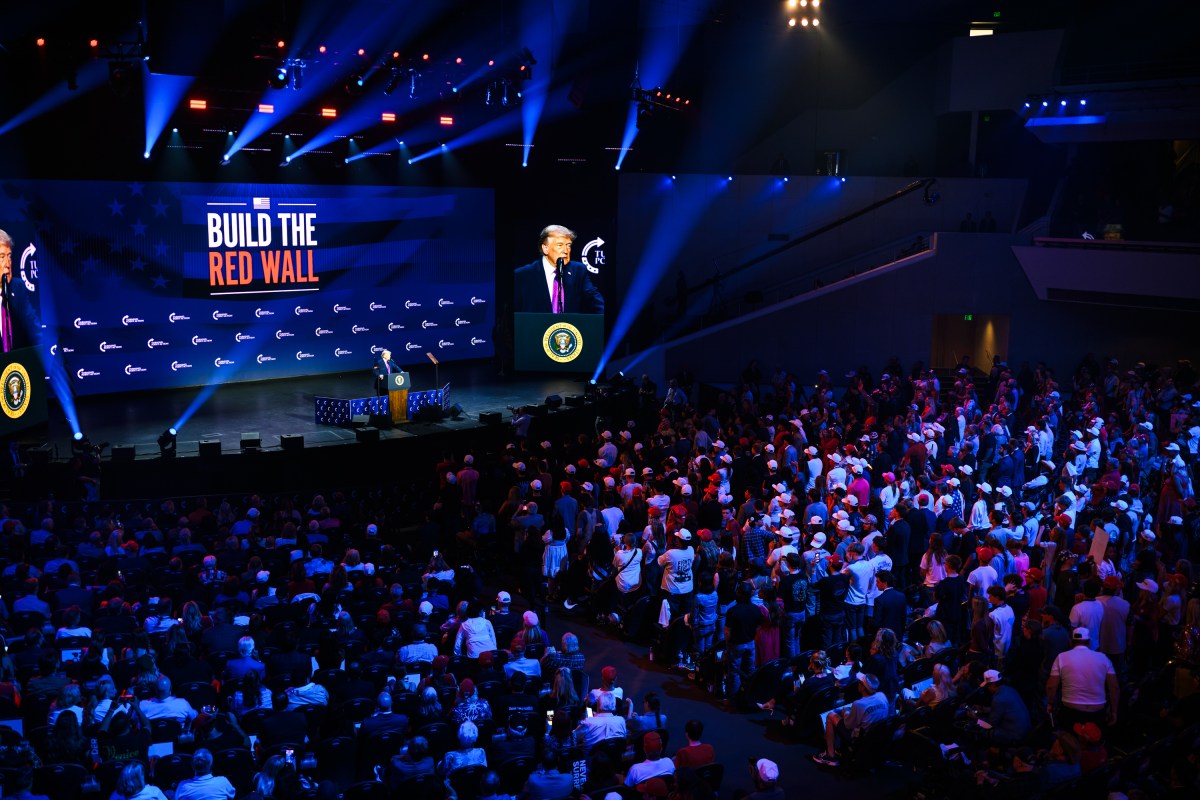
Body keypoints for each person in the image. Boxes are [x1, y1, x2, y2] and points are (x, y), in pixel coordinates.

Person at [512, 224, 604, 314]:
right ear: (545, 249)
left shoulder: (578, 271)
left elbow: (596, 302)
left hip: (568, 328)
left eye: (568, 245)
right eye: (560, 245)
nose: (566, 250)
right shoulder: (523, 275)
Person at [1046, 627, 1119, 729]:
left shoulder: (1061, 657)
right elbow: (1114, 687)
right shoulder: (1103, 658)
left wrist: (1050, 703)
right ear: (1088, 642)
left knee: (1070, 742)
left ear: (1071, 642)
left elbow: (1051, 686)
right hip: (1097, 711)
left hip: (1070, 710)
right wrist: (1114, 711)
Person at [812, 672, 889, 767]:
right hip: (877, 736)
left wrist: (846, 712)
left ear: (863, 687)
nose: (858, 683)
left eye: (860, 682)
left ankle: (830, 756)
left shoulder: (858, 704)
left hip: (859, 739)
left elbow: (848, 725)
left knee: (831, 715)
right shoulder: (882, 695)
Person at [978, 669, 1032, 745]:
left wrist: (976, 719)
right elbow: (1004, 710)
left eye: (987, 685)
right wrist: (985, 709)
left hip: (1015, 736)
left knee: (982, 732)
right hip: (1025, 731)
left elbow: (990, 725)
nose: (987, 688)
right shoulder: (1009, 690)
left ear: (993, 684)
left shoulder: (998, 699)